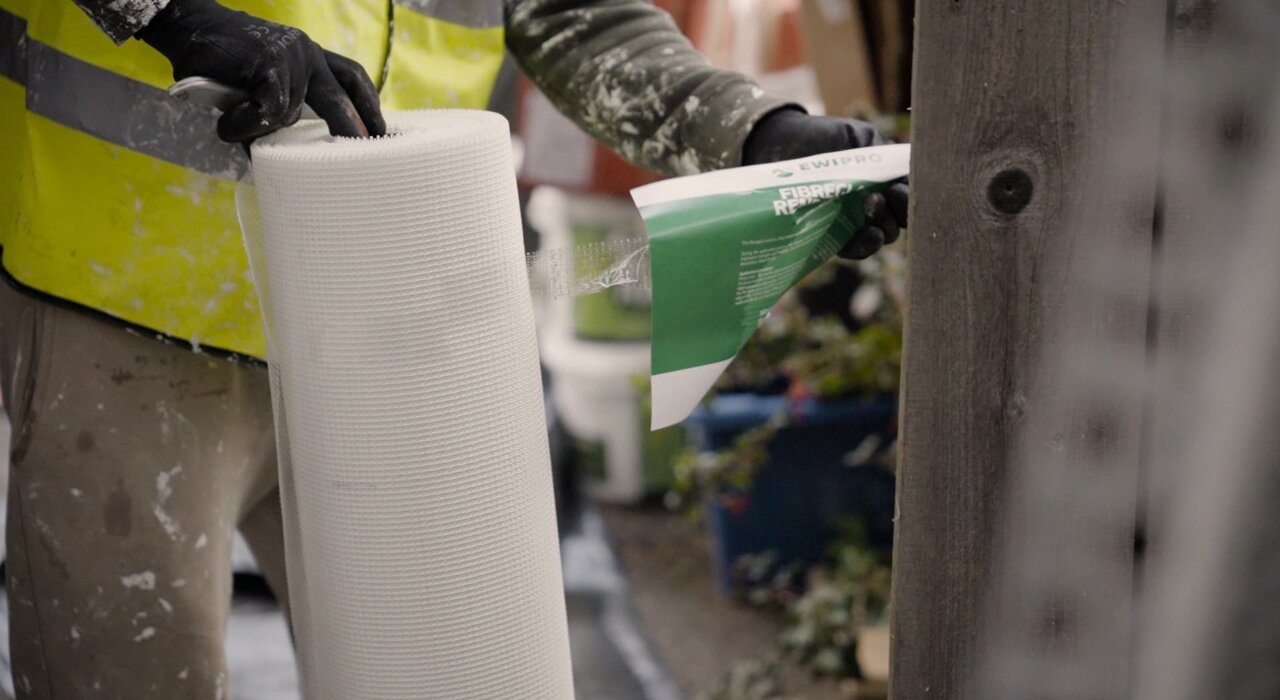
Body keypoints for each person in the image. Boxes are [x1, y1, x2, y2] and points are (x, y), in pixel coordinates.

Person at [0, 0, 908, 696]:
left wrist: (752, 132)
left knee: (445, 667)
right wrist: (172, 14)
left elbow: (575, 15)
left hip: (392, 318)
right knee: (129, 675)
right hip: (124, 303)